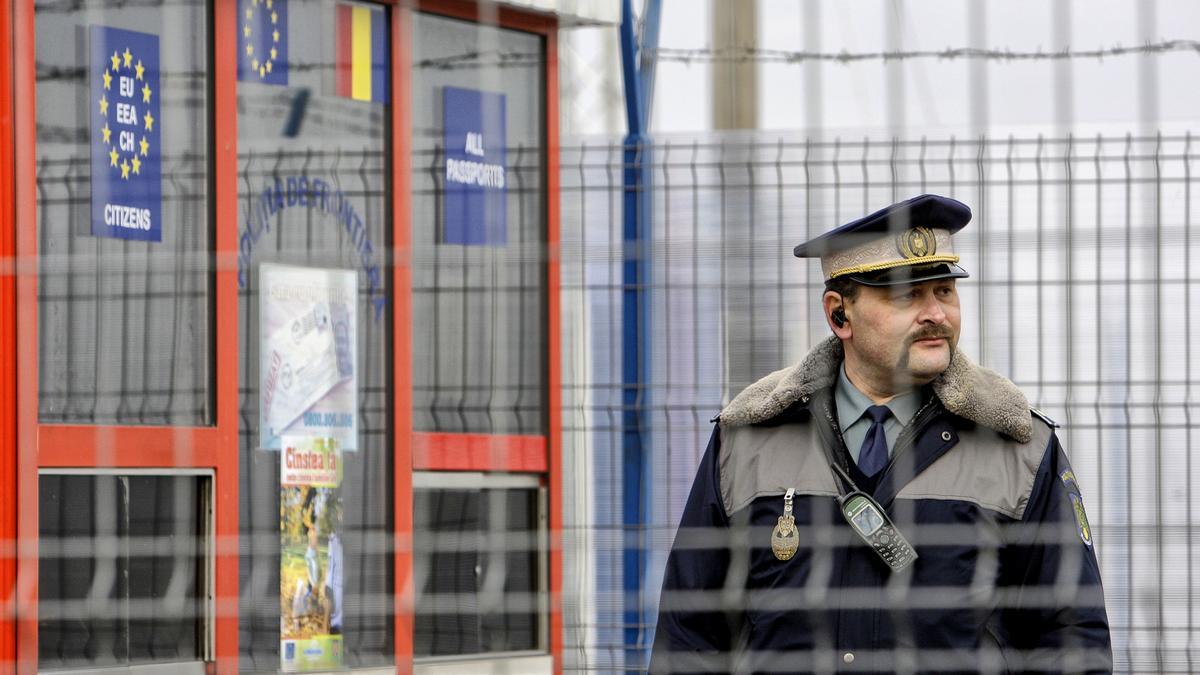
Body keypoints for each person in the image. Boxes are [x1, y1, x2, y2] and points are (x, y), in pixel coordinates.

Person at [650, 194, 1112, 674]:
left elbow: (1070, 639)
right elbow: (688, 637)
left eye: (944, 292)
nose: (936, 313)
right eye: (907, 295)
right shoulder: (747, 441)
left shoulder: (1019, 446)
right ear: (838, 314)